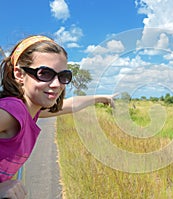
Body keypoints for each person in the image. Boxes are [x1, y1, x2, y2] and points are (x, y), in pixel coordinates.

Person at [0, 35, 117, 198]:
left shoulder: (30, 111)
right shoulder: (13, 111)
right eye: (45, 73)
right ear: (19, 74)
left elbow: (69, 105)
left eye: (63, 76)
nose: (56, 84)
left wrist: (103, 98)